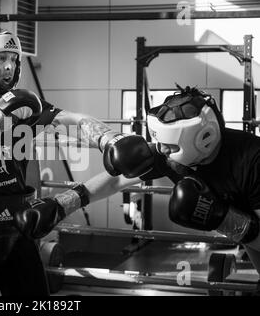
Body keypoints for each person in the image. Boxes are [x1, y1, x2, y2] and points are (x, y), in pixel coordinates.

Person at [0, 30, 136, 296]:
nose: (9, 66)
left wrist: (111, 139)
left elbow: (74, 122)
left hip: (17, 225)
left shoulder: (25, 106)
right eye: (0, 58)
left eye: (13, 59)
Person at [99, 85, 260, 274]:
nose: (161, 150)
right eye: (160, 143)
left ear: (202, 140)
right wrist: (66, 203)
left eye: (169, 146)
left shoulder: (253, 160)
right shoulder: (169, 154)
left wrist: (224, 219)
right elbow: (114, 181)